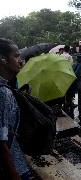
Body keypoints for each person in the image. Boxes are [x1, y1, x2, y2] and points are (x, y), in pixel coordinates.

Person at [0, 38, 29, 180]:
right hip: (14, 168)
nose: (20, 60)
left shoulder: (6, 88)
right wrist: (13, 174)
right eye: (16, 56)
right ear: (3, 59)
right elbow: (1, 141)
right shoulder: (3, 93)